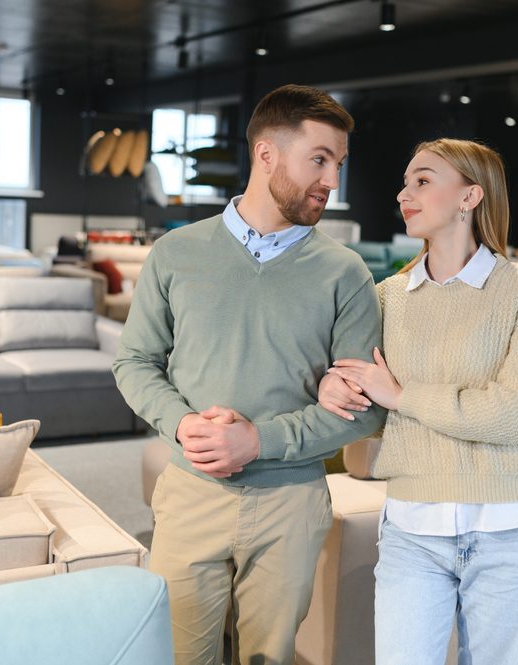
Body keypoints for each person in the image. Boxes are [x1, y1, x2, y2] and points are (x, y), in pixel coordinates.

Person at [113, 84, 386, 665]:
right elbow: (134, 361)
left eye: (338, 164)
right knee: (178, 655)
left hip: (291, 501)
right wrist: (182, 423)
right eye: (319, 159)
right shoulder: (175, 253)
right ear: (267, 154)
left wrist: (259, 440)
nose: (331, 181)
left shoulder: (347, 274)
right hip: (191, 490)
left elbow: (366, 410)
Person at [319, 138, 518, 665]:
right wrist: (335, 387)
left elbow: (517, 415)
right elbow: (367, 405)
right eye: (405, 183)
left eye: (423, 181)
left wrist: (403, 396)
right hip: (412, 530)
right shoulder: (387, 297)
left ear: (470, 196)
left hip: (509, 530)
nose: (404, 194)